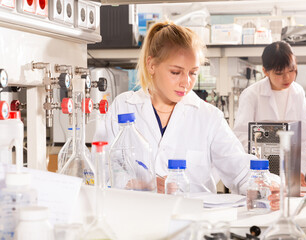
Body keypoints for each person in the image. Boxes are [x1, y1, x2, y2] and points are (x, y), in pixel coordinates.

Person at [100, 21, 279, 208]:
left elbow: (240, 170)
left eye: (193, 73)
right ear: (151, 65)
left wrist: (269, 186)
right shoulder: (123, 107)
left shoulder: (208, 117)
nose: (185, 82)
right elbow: (100, 169)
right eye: (176, 72)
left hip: (193, 225)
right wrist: (138, 185)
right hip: (133, 218)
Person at [233, 41, 306, 185]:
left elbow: (302, 137)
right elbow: (242, 136)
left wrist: (300, 171)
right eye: (279, 73)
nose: (287, 78)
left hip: (290, 171)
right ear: (265, 71)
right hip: (259, 171)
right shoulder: (251, 95)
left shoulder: (298, 92)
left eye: (291, 70)